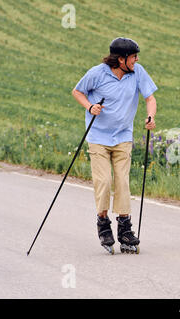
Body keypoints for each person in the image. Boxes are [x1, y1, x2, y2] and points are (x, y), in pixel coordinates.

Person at [72, 37, 157, 253]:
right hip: (98, 137)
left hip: (122, 136)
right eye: (133, 57)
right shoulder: (97, 73)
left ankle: (125, 227)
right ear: (121, 59)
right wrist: (90, 106)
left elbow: (150, 97)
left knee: (122, 181)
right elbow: (77, 91)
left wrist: (150, 116)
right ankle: (102, 221)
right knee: (104, 181)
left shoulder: (137, 72)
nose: (136, 60)